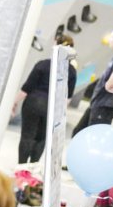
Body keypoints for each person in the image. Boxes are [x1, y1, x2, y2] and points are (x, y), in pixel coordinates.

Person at [12, 34, 77, 163]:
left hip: (34, 102)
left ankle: (22, 168)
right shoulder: (71, 71)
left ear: (55, 45)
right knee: (42, 138)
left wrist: (14, 102)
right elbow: (67, 98)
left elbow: (27, 88)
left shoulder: (43, 65)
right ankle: (33, 166)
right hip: (52, 106)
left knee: (27, 136)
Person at [72, 26, 113, 136]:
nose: (109, 39)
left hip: (107, 103)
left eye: (112, 36)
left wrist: (108, 84)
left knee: (93, 136)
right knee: (79, 132)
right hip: (100, 102)